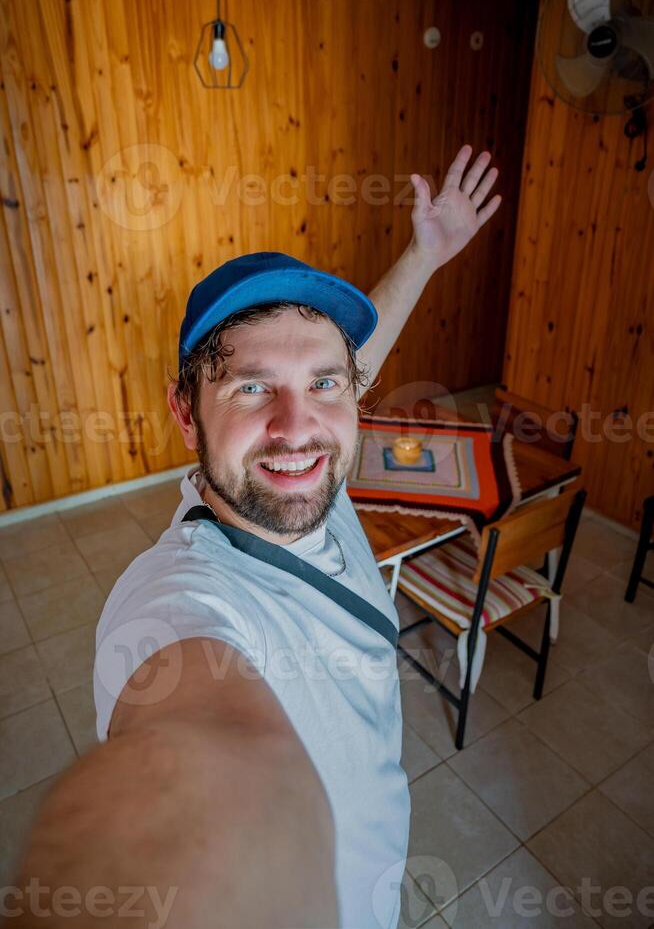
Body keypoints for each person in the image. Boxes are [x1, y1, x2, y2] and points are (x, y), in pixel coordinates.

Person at [6, 147, 500, 929]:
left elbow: (347, 367)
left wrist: (426, 254)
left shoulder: (311, 491)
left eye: (323, 385)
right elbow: (191, 773)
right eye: (250, 387)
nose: (298, 429)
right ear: (184, 411)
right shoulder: (175, 605)